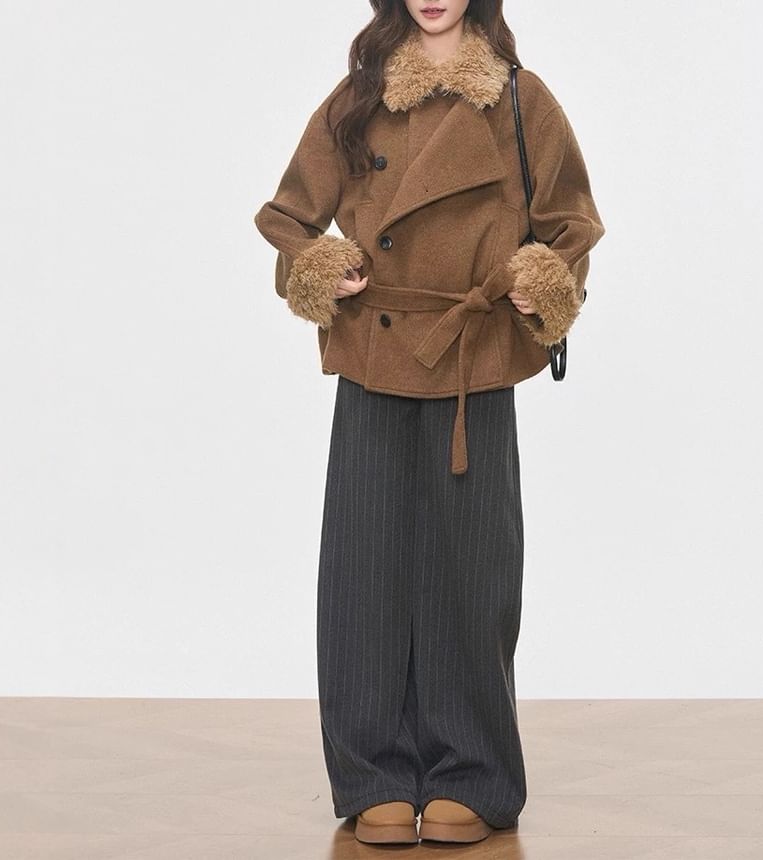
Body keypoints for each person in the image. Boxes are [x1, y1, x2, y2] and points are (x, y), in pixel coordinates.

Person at [253, 0, 605, 845]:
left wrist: (545, 281)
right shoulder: (359, 96)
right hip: (376, 346)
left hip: (472, 358)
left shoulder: (520, 99)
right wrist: (320, 266)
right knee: (363, 572)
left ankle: (472, 774)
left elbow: (573, 223)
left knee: (473, 575)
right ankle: (372, 772)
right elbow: (288, 217)